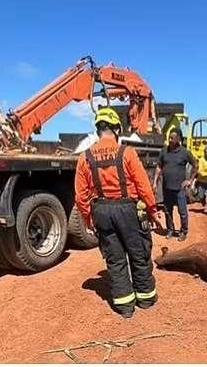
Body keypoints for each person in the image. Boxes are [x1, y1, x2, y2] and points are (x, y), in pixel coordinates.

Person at [74, 107, 164, 318]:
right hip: (128, 209)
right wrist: (153, 211)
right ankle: (146, 298)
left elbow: (80, 195)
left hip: (101, 211)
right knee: (139, 253)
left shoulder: (84, 158)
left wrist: (88, 218)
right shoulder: (127, 153)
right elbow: (143, 187)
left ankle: (124, 306)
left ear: (98, 130)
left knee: (115, 259)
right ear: (116, 128)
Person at [153, 129, 197, 241]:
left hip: (180, 189)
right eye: (169, 137)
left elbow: (195, 165)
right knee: (167, 211)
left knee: (182, 212)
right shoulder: (164, 151)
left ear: (178, 139)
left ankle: (183, 231)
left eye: (172, 138)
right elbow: (158, 167)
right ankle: (170, 230)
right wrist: (154, 182)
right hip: (166, 188)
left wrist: (190, 180)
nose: (170, 140)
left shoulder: (184, 152)